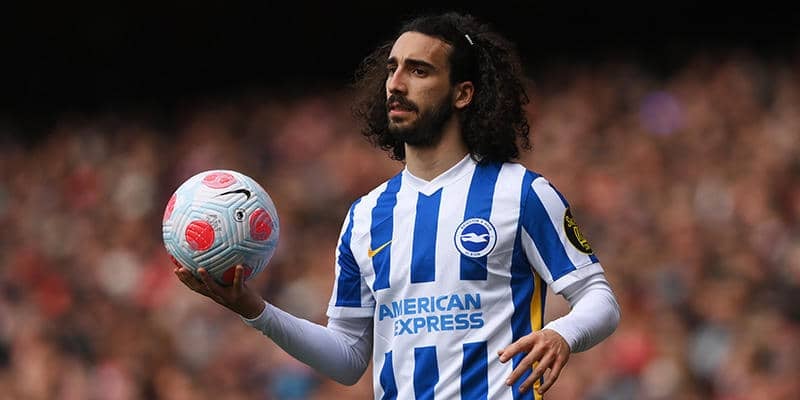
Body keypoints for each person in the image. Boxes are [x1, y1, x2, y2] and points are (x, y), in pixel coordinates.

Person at [174, 12, 620, 399]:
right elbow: (348, 357)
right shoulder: (365, 216)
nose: (396, 83)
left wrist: (563, 333)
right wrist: (252, 308)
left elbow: (599, 298)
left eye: (419, 70)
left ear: (463, 93)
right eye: (393, 68)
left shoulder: (521, 193)